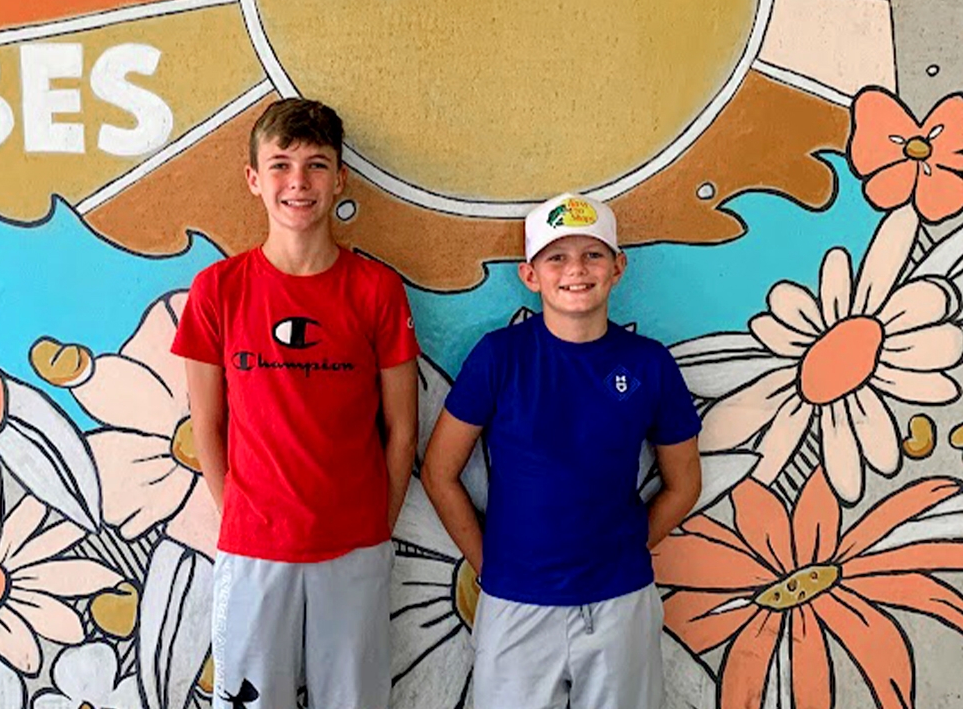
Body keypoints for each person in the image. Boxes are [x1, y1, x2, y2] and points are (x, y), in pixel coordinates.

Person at [172, 98, 420, 709]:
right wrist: (239, 514)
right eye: (280, 165)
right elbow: (207, 424)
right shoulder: (218, 290)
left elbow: (404, 431)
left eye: (315, 165)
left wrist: (372, 528)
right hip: (253, 549)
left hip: (355, 547)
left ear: (339, 178)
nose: (298, 182)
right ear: (254, 180)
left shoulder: (376, 289)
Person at [421, 193, 702, 709]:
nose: (576, 269)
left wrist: (626, 547)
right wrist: (489, 564)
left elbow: (684, 483)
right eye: (557, 257)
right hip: (514, 603)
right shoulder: (498, 357)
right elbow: (440, 472)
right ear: (531, 275)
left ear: (618, 267)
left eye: (593, 254)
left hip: (620, 602)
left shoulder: (649, 363)